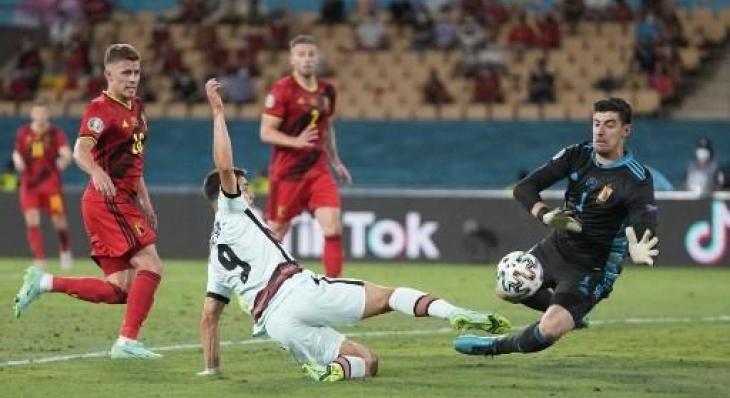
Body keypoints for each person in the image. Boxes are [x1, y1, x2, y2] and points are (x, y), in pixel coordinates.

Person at [199, 78, 511, 382]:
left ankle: (332, 370)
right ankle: (453, 312)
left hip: (276, 324)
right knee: (390, 296)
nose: (249, 190)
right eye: (243, 185)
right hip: (297, 291)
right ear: (225, 192)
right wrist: (217, 113)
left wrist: (212, 370)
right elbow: (225, 166)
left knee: (369, 363)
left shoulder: (215, 255)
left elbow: (209, 316)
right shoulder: (232, 208)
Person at [454, 98, 659, 358]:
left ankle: (496, 346)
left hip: (593, 266)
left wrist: (638, 245)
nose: (600, 131)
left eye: (609, 125)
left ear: (625, 131)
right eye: (596, 123)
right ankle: (571, 315)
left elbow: (645, 220)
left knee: (550, 329)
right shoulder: (577, 154)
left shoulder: (636, 177)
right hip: (558, 247)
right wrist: (546, 215)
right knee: (506, 289)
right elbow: (524, 188)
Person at [14, 43, 164, 360]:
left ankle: (44, 282)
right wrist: (96, 171)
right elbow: (82, 150)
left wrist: (145, 200)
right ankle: (126, 343)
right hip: (107, 201)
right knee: (151, 265)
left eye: (136, 72)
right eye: (126, 72)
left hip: (121, 199)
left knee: (122, 289)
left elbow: (132, 161)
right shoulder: (100, 108)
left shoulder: (137, 107)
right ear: (108, 74)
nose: (133, 78)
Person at [260, 35, 351, 277]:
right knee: (277, 231)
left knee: (333, 226)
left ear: (317, 57)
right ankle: (260, 286)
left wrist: (335, 161)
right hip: (287, 172)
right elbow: (266, 132)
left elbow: (326, 126)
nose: (307, 59)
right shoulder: (282, 90)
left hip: (318, 169)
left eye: (311, 54)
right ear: (292, 59)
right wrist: (296, 141)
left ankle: (334, 291)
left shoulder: (327, 91)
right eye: (301, 54)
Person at [12, 99, 73, 269]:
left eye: (43, 112)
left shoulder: (55, 133)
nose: (40, 116)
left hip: (51, 185)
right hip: (29, 185)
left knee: (59, 220)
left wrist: (65, 158)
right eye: (37, 112)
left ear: (48, 114)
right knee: (32, 220)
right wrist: (18, 161)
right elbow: (17, 152)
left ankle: (65, 249)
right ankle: (39, 260)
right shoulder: (23, 132)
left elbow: (66, 151)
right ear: (32, 114)